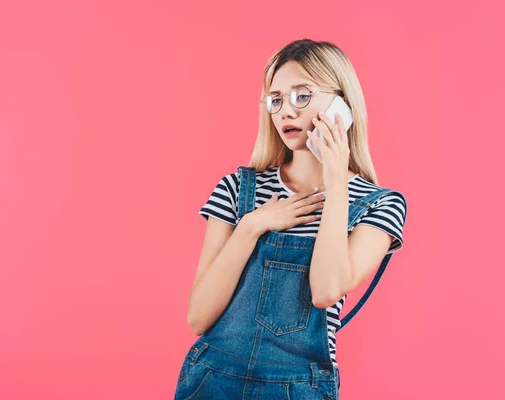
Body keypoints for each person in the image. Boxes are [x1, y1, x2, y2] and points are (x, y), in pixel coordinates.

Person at [173, 39, 408, 400]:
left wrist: (336, 183)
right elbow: (199, 317)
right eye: (276, 99)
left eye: (302, 95)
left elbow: (327, 291)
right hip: (211, 381)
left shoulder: (380, 205)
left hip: (297, 389)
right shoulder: (237, 187)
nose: (286, 111)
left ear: (341, 105)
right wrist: (252, 225)